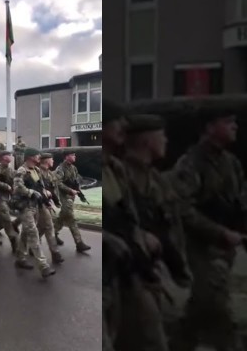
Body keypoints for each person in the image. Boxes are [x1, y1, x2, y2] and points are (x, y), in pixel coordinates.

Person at [169, 110, 247, 351]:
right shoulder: (191, 163)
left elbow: (240, 201)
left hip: (225, 246)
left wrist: (246, 233)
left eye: (235, 121)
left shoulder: (231, 162)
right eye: (228, 122)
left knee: (202, 305)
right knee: (219, 308)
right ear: (210, 127)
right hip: (199, 246)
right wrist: (219, 232)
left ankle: (178, 345)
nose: (235, 126)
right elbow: (182, 209)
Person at [116, 114, 194, 351]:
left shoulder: (156, 179)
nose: (166, 142)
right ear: (148, 142)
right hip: (132, 273)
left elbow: (172, 221)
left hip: (156, 267)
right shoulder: (122, 175)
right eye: (162, 137)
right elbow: (118, 220)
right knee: (148, 339)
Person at [103, 100, 133, 351]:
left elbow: (128, 216)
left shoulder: (117, 168)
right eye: (116, 122)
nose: (123, 127)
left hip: (119, 265)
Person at [12, 148, 56, 278]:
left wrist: (46, 199)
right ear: (30, 157)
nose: (39, 158)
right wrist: (31, 192)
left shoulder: (36, 170)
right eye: (37, 156)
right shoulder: (22, 170)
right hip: (25, 207)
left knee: (26, 233)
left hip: (35, 206)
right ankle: (43, 266)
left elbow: (40, 187)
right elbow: (17, 187)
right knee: (33, 233)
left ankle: (20, 258)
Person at [55, 150, 91, 252]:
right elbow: (57, 182)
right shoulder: (60, 168)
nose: (75, 157)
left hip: (71, 196)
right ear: (66, 157)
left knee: (63, 215)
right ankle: (79, 243)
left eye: (75, 155)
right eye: (72, 155)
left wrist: (80, 194)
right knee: (71, 218)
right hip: (64, 195)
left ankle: (53, 232)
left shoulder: (73, 168)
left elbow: (76, 182)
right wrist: (69, 190)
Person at [36, 153, 64, 264]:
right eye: (52, 159)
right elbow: (39, 189)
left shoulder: (50, 174)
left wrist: (56, 201)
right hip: (40, 203)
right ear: (47, 160)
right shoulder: (38, 173)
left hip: (48, 202)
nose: (53, 161)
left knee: (43, 227)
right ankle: (55, 253)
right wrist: (46, 202)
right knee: (49, 226)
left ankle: (30, 243)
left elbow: (52, 189)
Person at [0, 151, 19, 250]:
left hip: (8, 197)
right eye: (8, 155)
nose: (10, 157)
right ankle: (13, 239)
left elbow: (15, 179)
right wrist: (7, 186)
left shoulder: (10, 169)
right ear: (3, 158)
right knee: (6, 218)